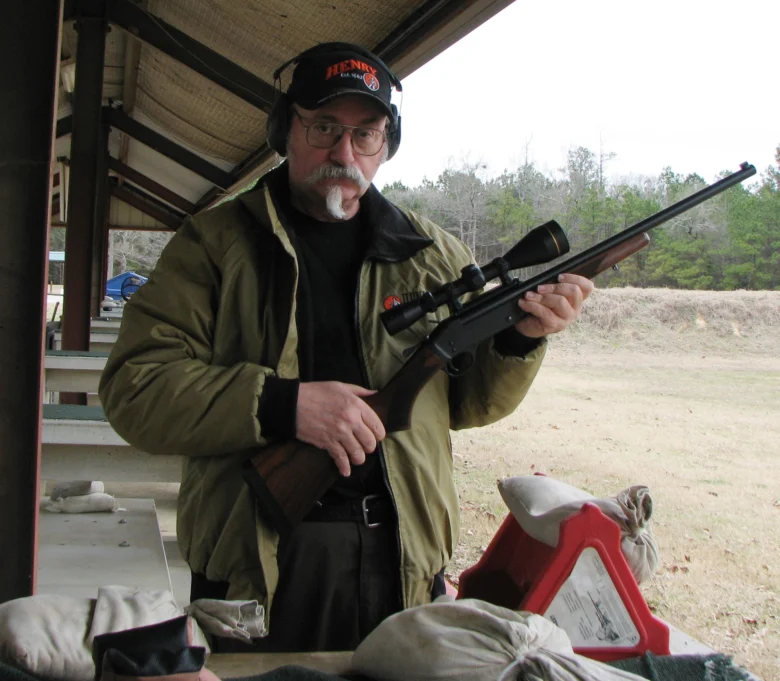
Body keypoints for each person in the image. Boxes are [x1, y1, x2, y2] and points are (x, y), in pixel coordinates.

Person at [98, 42, 594, 653]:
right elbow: (134, 390)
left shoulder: (431, 254)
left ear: (387, 144)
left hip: (403, 561)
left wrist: (521, 340)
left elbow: (462, 404)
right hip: (260, 563)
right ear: (286, 129)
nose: (343, 152)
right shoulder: (214, 244)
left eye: (365, 135)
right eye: (324, 126)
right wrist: (284, 405)